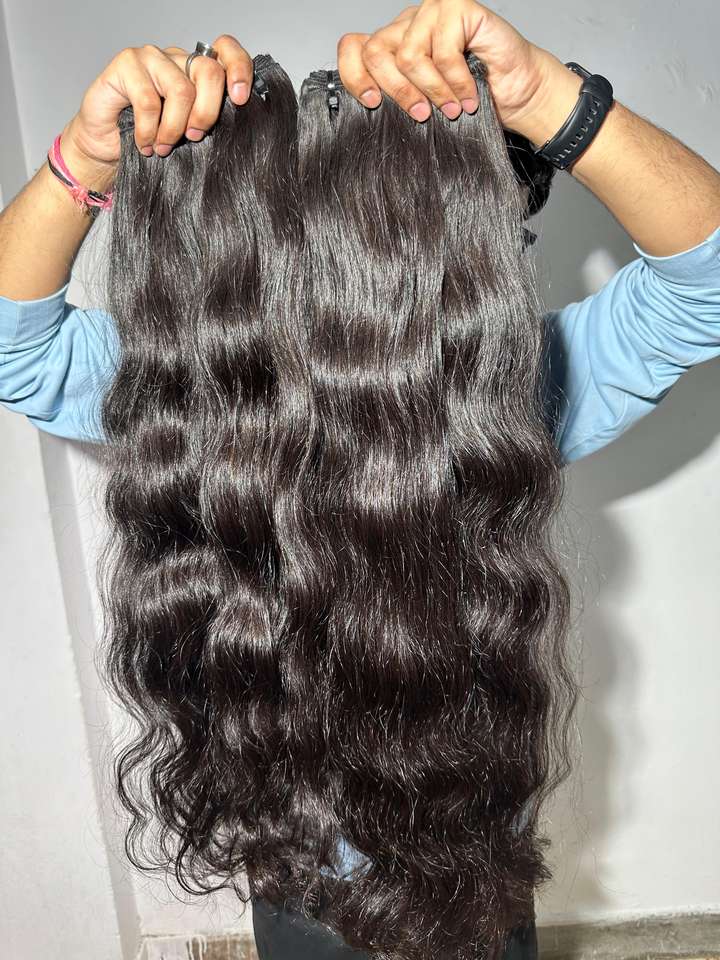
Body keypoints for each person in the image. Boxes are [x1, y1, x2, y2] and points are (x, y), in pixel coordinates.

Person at [0, 3, 718, 958]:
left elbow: (706, 287)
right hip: (294, 857)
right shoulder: (192, 393)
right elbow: (13, 349)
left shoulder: (492, 391)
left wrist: (549, 99)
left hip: (466, 846)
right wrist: (85, 160)